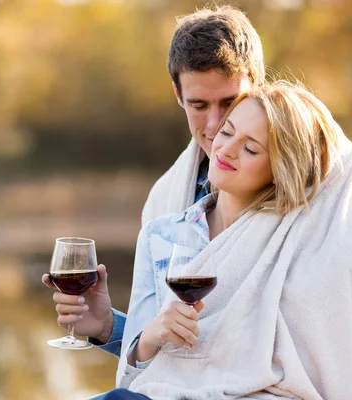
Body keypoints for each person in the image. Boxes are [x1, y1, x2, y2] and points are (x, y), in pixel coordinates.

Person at [112, 81, 352, 398]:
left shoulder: (294, 249)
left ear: (280, 169)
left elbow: (321, 370)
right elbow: (131, 379)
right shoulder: (161, 235)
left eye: (250, 148)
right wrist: (147, 340)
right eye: (227, 132)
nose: (227, 149)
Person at [42, 3, 265, 359]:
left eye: (231, 102)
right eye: (199, 105)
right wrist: (106, 327)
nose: (216, 125)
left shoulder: (307, 194)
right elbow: (167, 353)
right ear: (178, 96)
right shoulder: (166, 199)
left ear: (260, 88)